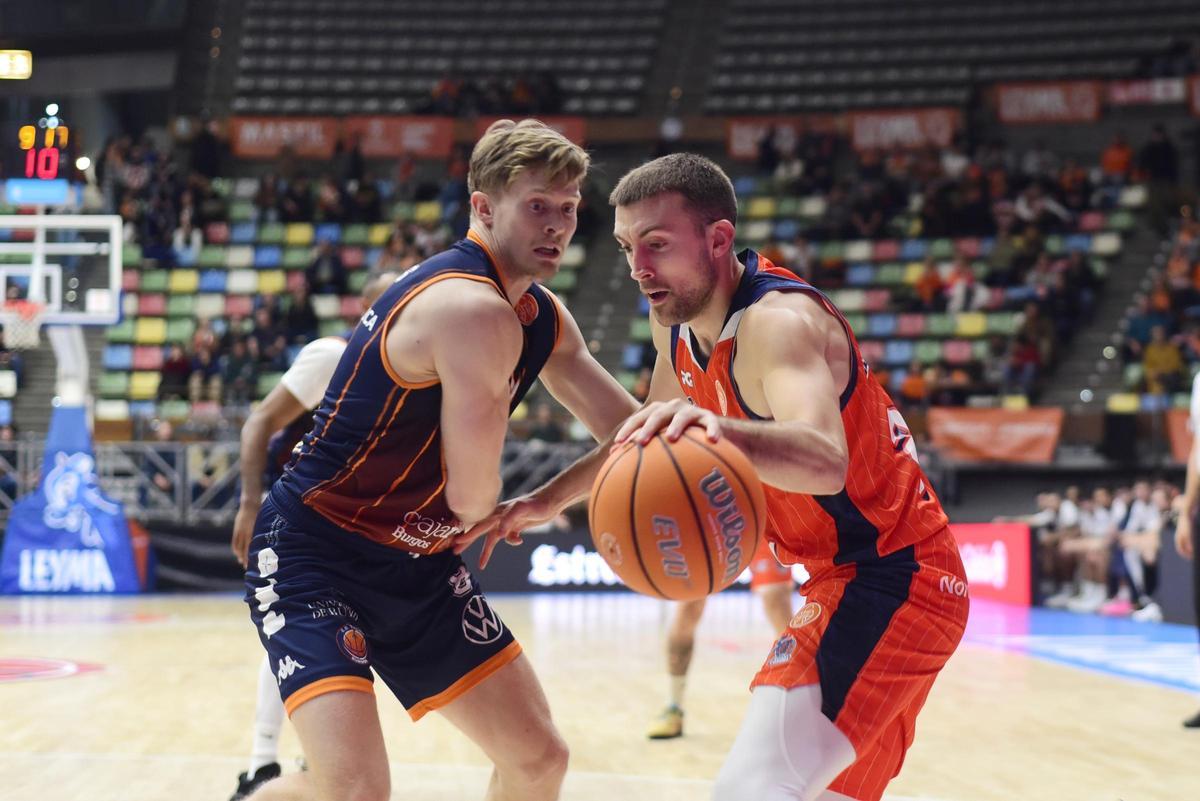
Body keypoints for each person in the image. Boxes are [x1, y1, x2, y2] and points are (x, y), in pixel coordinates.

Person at [459, 153, 968, 801]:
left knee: (748, 790)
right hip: (854, 580)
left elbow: (823, 458)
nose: (638, 268)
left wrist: (712, 431)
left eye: (657, 245)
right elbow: (649, 435)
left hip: (893, 578)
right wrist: (545, 498)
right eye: (625, 247)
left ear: (719, 239)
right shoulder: (674, 321)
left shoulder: (776, 322)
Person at [241, 119, 637, 801]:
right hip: (315, 551)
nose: (558, 226)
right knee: (355, 790)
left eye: (568, 208)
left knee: (539, 757)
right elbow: (471, 501)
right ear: (483, 207)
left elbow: (633, 433)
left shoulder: (542, 314)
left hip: (415, 563)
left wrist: (548, 498)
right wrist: (514, 503)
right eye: (536, 206)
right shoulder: (467, 308)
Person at [226, 271, 398, 800]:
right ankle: (260, 764)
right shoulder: (333, 355)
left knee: (330, 644)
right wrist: (250, 503)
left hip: (358, 529)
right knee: (295, 636)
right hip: (298, 523)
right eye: (391, 296)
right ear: (366, 307)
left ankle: (302, 757)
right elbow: (259, 422)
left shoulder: (409, 373)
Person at [645, 547, 794, 740]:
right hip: (714, 524)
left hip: (763, 524)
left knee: (777, 603)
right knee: (688, 607)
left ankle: (793, 706)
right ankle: (674, 706)